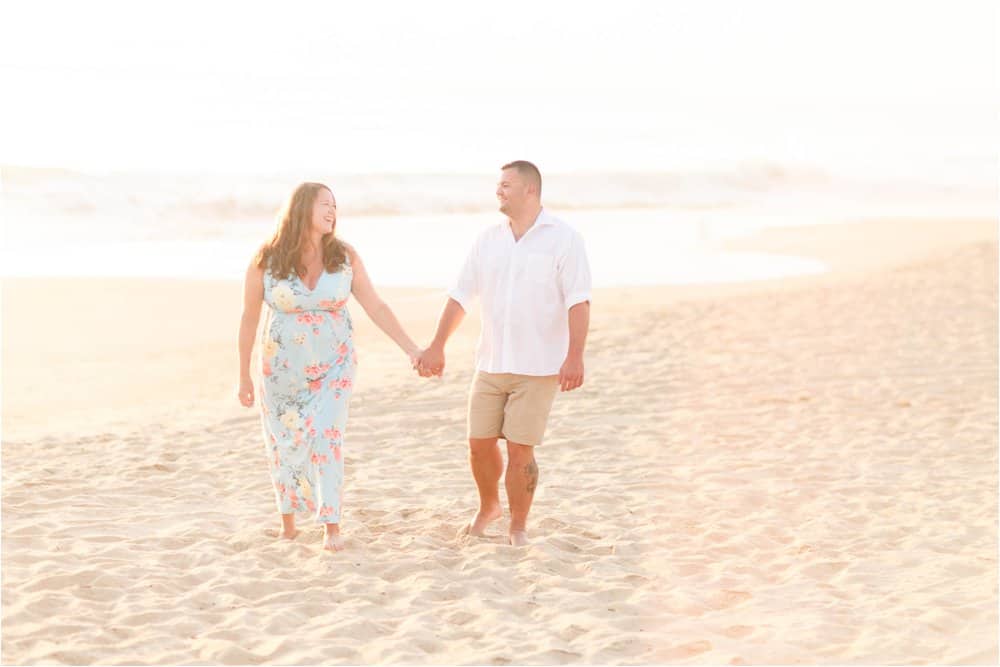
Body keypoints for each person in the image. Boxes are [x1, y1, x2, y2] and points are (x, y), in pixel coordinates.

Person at [416, 161, 592, 546]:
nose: (498, 191)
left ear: (530, 190)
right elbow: (461, 294)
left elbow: (578, 301)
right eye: (498, 185)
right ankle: (489, 506)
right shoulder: (487, 240)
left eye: (506, 185)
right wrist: (437, 345)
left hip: (539, 365)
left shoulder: (564, 239)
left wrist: (574, 355)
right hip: (491, 361)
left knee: (519, 447)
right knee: (478, 443)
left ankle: (518, 526)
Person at [237, 182, 421, 551]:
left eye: (335, 206)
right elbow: (248, 319)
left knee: (326, 435)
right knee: (283, 442)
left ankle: (331, 526)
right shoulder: (266, 259)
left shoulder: (344, 257)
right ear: (301, 207)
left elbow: (376, 306)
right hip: (281, 372)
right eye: (325, 204)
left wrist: (412, 349)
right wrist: (243, 374)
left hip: (334, 367)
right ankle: (288, 525)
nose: (333, 211)